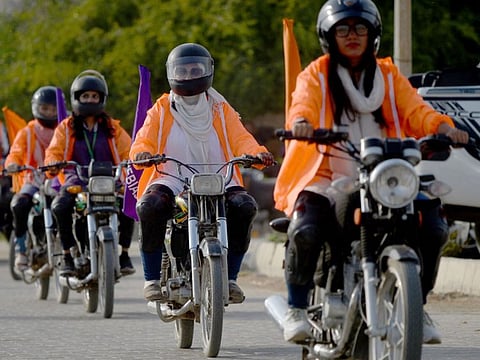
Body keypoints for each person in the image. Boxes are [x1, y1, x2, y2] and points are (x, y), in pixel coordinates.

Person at [273, 0, 469, 345]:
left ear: (373, 35)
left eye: (360, 28)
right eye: (343, 29)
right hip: (329, 172)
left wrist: (442, 126)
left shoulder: (389, 76)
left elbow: (418, 111)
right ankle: (297, 308)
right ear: (328, 36)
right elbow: (303, 103)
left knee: (433, 225)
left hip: (387, 173)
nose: (352, 35)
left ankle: (416, 304)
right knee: (305, 228)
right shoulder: (316, 74)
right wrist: (301, 123)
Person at [129, 43, 274, 302]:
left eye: (196, 69)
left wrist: (256, 152)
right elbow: (145, 138)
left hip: (219, 176)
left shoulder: (221, 108)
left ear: (208, 71)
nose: (190, 75)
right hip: (171, 176)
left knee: (244, 207)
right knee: (150, 206)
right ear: (172, 73)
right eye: (182, 71)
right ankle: (151, 278)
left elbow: (241, 138)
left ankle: (229, 279)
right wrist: (142, 152)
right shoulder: (161, 109)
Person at [45, 70, 136, 276]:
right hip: (76, 178)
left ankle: (124, 253)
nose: (90, 100)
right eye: (85, 96)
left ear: (102, 99)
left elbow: (127, 149)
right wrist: (53, 162)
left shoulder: (113, 127)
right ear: (76, 98)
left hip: (108, 178)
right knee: (60, 206)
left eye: (94, 96)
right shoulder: (65, 128)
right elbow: (53, 151)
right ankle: (68, 254)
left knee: (129, 200)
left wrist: (134, 159)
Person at [5, 86, 61, 270]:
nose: (49, 113)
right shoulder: (27, 132)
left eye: (53, 109)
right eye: (45, 108)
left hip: (58, 179)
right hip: (33, 178)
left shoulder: (65, 127)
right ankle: (21, 249)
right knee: (19, 204)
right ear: (36, 108)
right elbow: (15, 152)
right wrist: (12, 164)